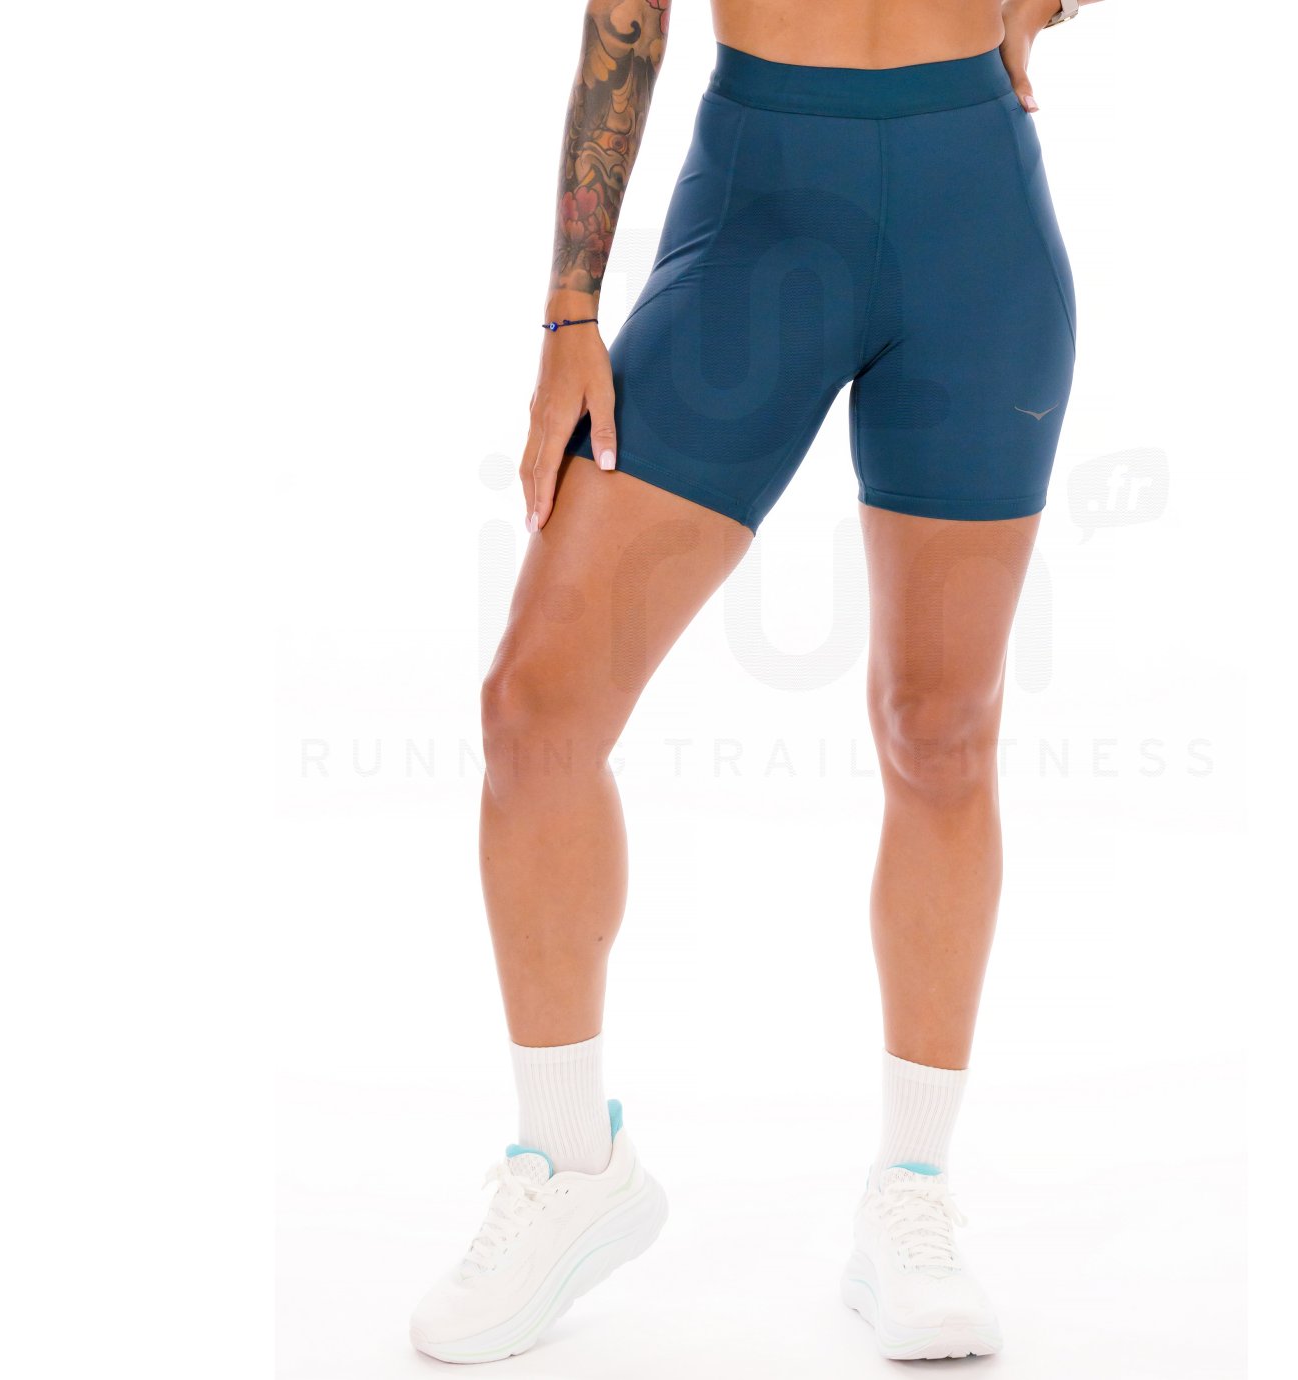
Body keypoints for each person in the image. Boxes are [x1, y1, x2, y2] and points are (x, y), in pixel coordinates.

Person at [411, 0, 1094, 1362]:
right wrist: (569, 314)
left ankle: (911, 1192)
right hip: (760, 212)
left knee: (940, 730)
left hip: (974, 220)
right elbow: (626, 16)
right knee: (536, 711)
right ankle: (572, 1167)